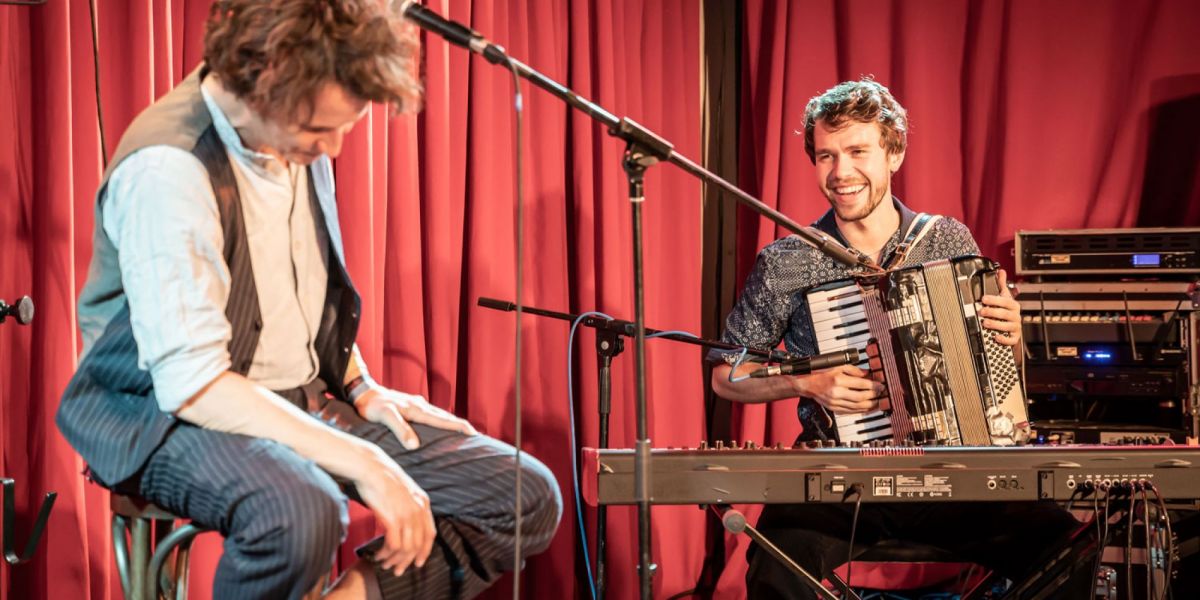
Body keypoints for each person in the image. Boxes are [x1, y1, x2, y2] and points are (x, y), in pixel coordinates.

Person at [56, 2, 561, 598]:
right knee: (299, 515)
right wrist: (364, 461)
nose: (335, 148)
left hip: (295, 396)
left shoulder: (290, 130)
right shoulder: (169, 169)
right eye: (320, 129)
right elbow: (192, 383)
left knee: (523, 494)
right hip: (161, 415)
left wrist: (359, 385)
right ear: (264, 84)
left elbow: (293, 290)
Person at [710, 79, 1088, 597]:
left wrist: (1012, 334)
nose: (840, 172)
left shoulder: (947, 239)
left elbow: (994, 366)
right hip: (842, 479)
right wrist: (806, 384)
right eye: (826, 156)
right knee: (774, 566)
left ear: (894, 154)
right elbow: (727, 375)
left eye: (857, 152)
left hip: (955, 473)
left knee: (1069, 553)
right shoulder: (788, 260)